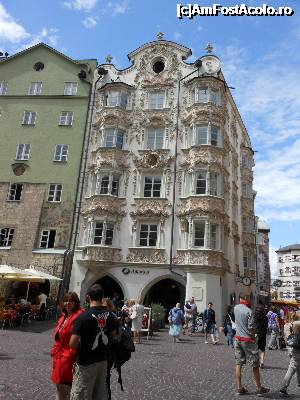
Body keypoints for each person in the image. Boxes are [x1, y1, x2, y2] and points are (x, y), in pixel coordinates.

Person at [69, 284, 117, 400]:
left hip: (86, 362)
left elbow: (72, 343)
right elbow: (113, 335)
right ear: (102, 297)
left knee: (82, 395)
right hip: (102, 361)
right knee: (99, 394)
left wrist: (83, 345)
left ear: (88, 297)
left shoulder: (83, 316)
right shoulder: (111, 316)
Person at [234, 295, 269, 396]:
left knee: (238, 363)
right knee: (255, 364)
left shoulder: (236, 308)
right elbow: (251, 328)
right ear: (246, 299)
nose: (250, 300)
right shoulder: (248, 311)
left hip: (237, 338)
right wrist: (254, 337)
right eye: (249, 298)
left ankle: (239, 387)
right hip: (247, 340)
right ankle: (259, 388)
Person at [51, 292, 83, 400]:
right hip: (58, 356)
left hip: (69, 357)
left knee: (68, 388)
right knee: (59, 386)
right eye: (65, 300)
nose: (67, 303)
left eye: (71, 301)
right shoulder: (63, 316)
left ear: (76, 303)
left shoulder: (79, 316)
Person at [279, 313, 300, 396]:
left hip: (292, 349)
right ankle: (283, 389)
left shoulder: (287, 325)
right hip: (296, 349)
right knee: (292, 368)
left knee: (297, 367)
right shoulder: (296, 324)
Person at [254, 303, 268, 369]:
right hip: (263, 334)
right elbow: (266, 326)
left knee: (255, 349)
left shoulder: (254, 316)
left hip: (256, 334)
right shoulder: (265, 317)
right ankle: (262, 361)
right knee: (262, 349)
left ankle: (256, 362)